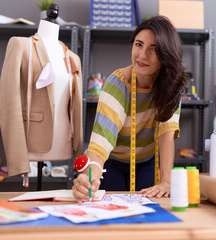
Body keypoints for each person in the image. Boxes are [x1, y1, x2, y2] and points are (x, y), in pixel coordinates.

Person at [73, 16, 186, 203]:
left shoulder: (172, 85)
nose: (142, 55)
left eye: (154, 49)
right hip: (112, 162)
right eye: (138, 44)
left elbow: (166, 135)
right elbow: (101, 141)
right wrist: (88, 177)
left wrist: (166, 181)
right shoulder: (117, 83)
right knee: (109, 213)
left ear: (166, 54)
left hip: (147, 161)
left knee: (152, 208)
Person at [0, 4, 83, 186]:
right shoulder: (20, 45)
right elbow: (9, 103)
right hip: (32, 141)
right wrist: (18, 159)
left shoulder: (73, 58)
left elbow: (76, 108)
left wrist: (79, 150)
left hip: (63, 141)